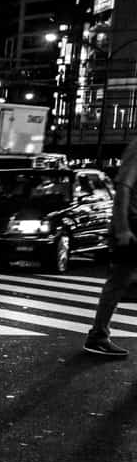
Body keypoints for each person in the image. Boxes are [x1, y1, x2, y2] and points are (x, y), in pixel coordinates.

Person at [82, 138, 137, 358]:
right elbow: (123, 187)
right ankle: (97, 336)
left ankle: (98, 335)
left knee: (121, 280)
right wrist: (123, 227)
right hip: (133, 223)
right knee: (120, 279)